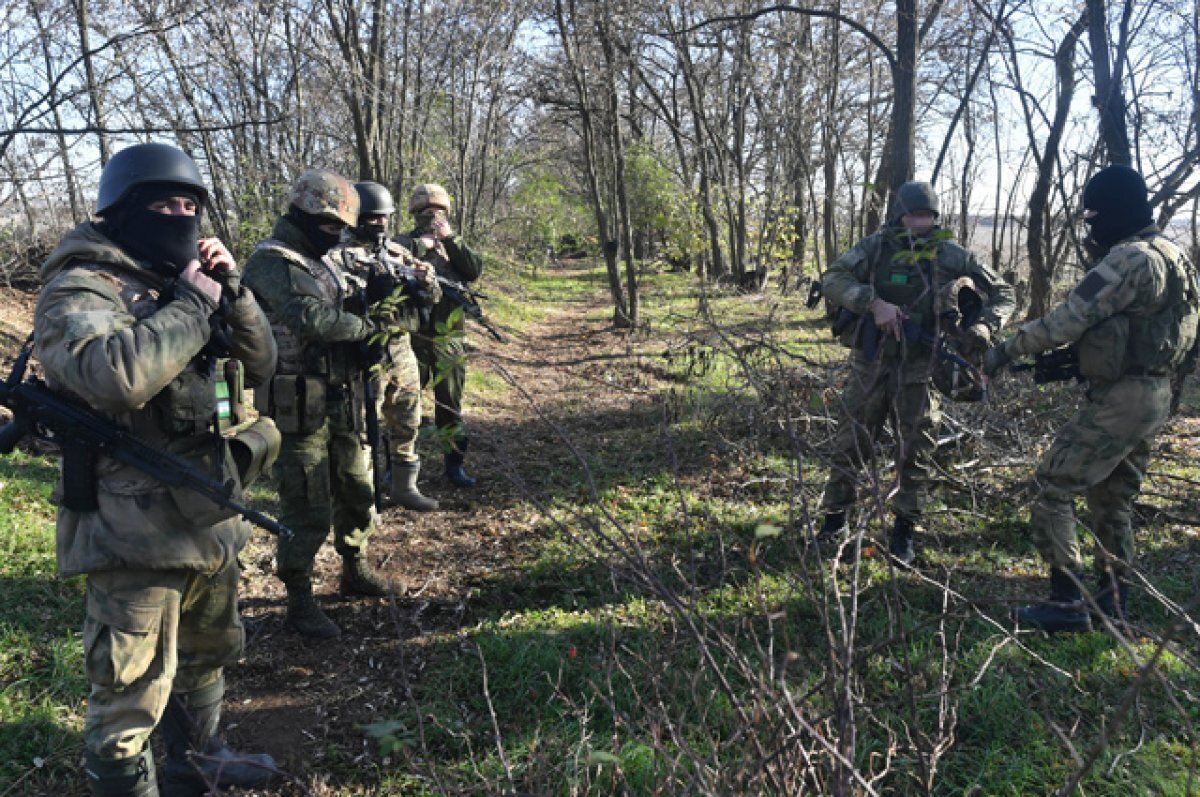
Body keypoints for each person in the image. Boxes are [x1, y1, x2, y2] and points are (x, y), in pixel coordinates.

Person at [34, 142, 279, 795]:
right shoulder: (82, 284)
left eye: (190, 203)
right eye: (163, 202)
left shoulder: (180, 278)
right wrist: (194, 306)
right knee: (128, 691)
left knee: (208, 653)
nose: (180, 214)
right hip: (131, 527)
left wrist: (233, 292)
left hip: (205, 511)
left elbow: (262, 365)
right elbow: (114, 375)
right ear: (122, 210)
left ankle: (198, 758)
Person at [983, 164, 1199, 632]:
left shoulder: (1129, 260)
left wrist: (1004, 351)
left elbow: (1066, 320)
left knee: (1051, 485)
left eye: (1094, 215)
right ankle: (1113, 599)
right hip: (1155, 393)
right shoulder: (1175, 255)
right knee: (1112, 496)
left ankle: (1068, 604)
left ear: (1114, 211)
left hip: (1123, 398)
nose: (1091, 226)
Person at [816, 181, 1015, 564]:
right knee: (851, 438)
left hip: (922, 364)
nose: (919, 223)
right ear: (898, 215)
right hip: (871, 360)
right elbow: (833, 278)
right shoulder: (876, 247)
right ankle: (834, 522)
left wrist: (986, 327)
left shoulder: (949, 253)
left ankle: (904, 530)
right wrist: (873, 302)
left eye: (926, 217)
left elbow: (1004, 292)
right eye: (913, 215)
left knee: (917, 448)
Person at [243, 169, 395, 640]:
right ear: (302, 214)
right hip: (298, 401)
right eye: (329, 225)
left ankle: (354, 565)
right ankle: (300, 597)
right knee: (307, 501)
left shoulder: (321, 260)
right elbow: (306, 317)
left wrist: (367, 303)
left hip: (342, 394)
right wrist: (364, 332)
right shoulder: (271, 261)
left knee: (355, 487)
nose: (335, 235)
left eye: (340, 228)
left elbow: (336, 309)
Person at [333, 181, 441, 511]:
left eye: (385, 218)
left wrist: (427, 282)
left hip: (400, 347)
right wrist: (367, 291)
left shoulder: (398, 252)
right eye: (373, 218)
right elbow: (333, 304)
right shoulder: (338, 257)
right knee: (364, 426)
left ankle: (404, 487)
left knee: (408, 418)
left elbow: (432, 298)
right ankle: (363, 500)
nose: (380, 224)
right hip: (364, 350)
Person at [395, 183, 485, 487]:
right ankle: (398, 468)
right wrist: (422, 246)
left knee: (450, 408)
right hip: (412, 339)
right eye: (426, 212)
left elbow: (473, 270)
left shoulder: (454, 246)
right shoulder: (403, 243)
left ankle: (454, 466)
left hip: (450, 339)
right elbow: (392, 261)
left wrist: (450, 240)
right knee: (403, 407)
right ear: (415, 214)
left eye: (439, 212)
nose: (433, 217)